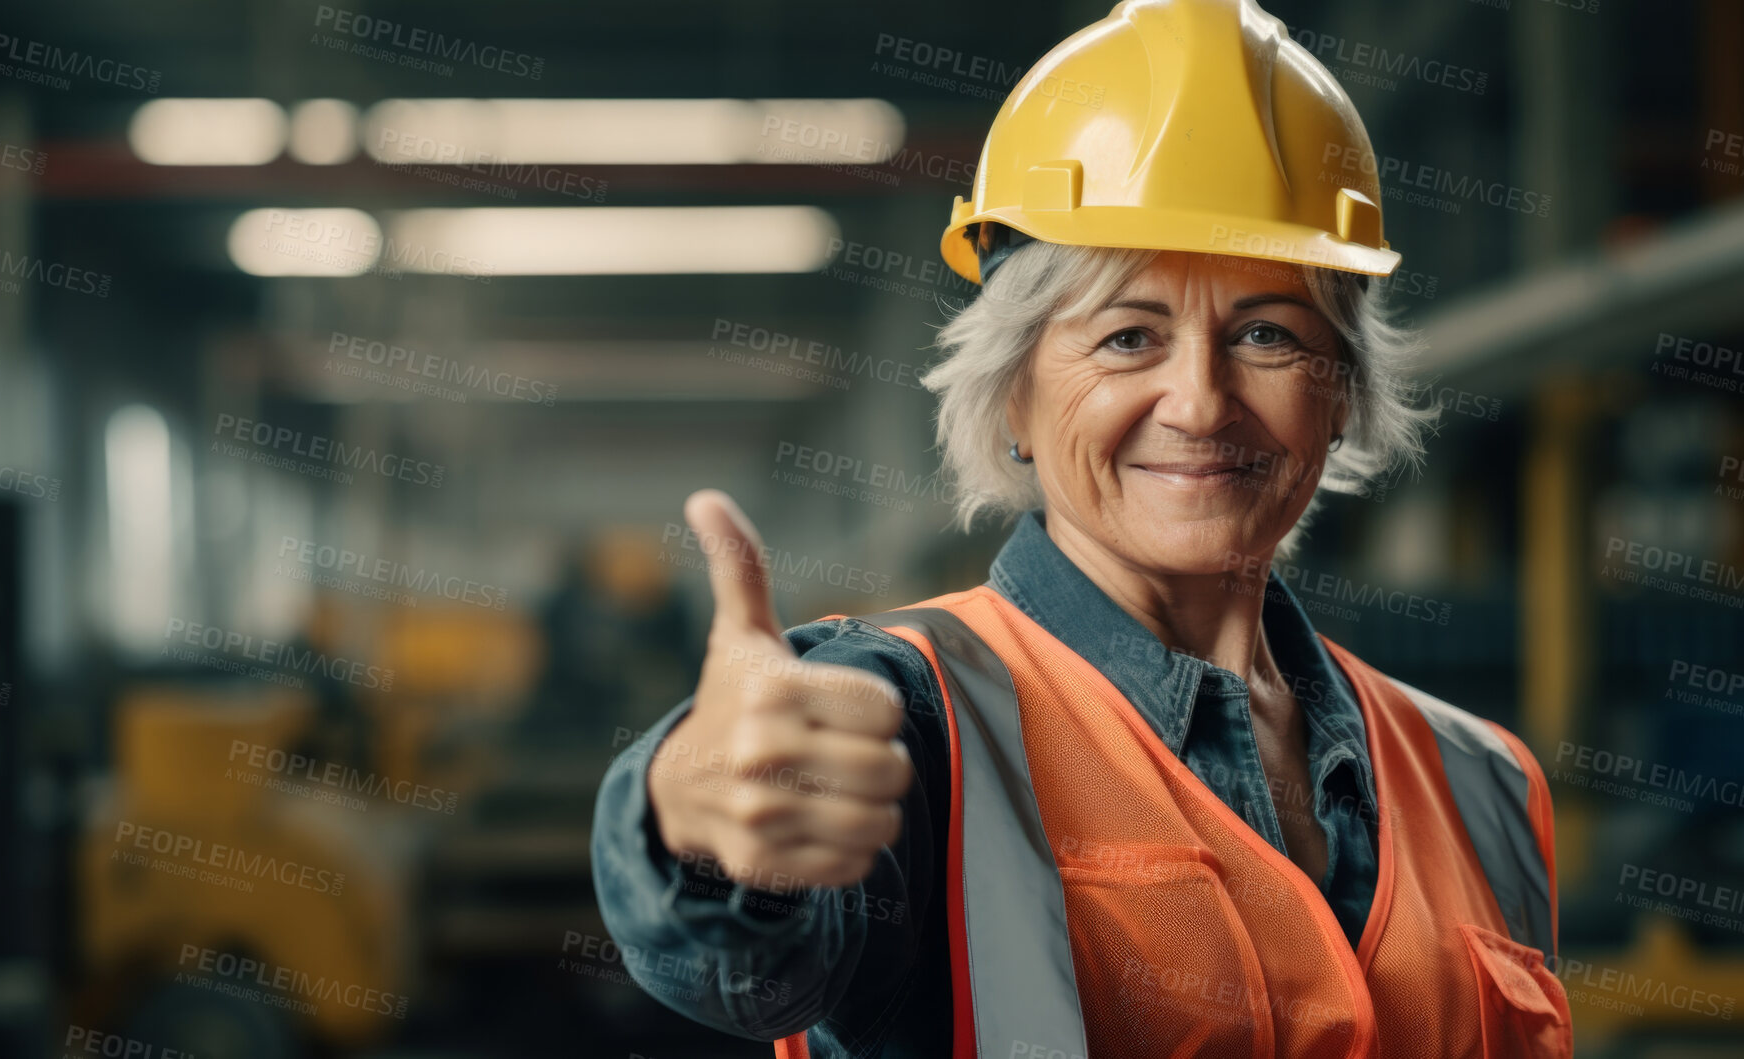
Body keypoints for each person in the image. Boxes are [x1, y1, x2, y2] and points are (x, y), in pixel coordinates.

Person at [592, 0, 1570, 1055]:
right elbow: (749, 968)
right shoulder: (913, 721)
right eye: (1127, 336)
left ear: (1338, 394)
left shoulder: (1482, 781)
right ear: (1013, 395)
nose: (1198, 401)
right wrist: (696, 820)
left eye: (1265, 334)